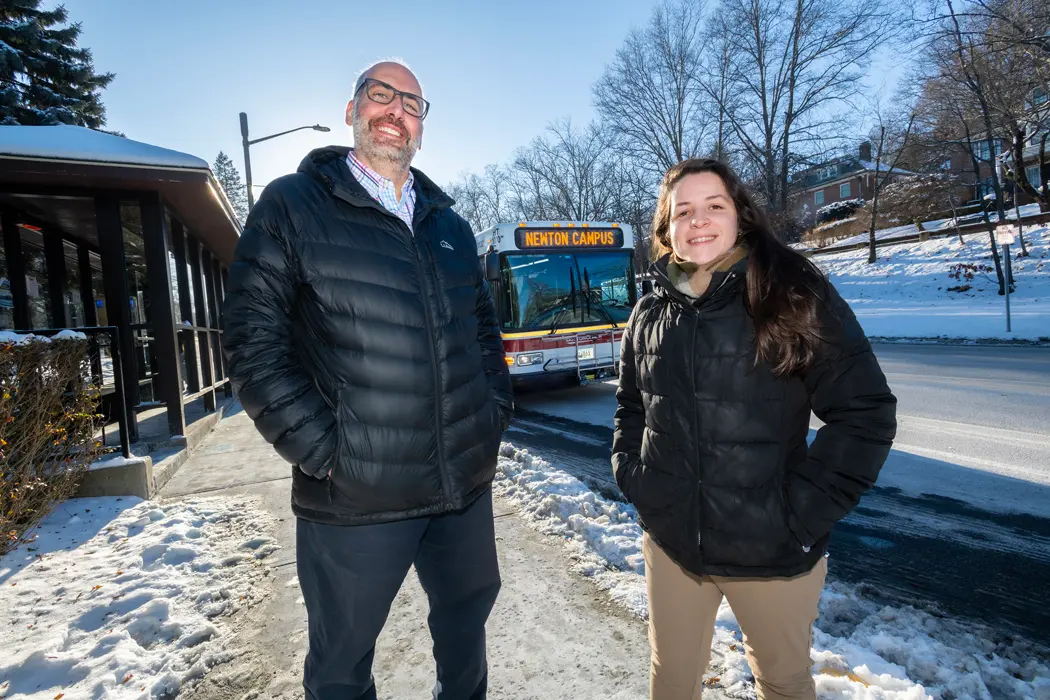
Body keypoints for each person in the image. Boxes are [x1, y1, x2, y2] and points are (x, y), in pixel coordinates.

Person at [221, 59, 513, 700]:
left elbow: (484, 335)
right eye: (381, 95)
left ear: (422, 126)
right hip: (354, 498)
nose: (395, 111)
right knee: (340, 667)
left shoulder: (451, 227)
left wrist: (492, 413)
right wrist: (326, 453)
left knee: (467, 646)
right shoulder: (292, 206)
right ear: (352, 109)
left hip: (461, 487)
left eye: (412, 103)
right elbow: (251, 343)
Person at [612, 158, 897, 700]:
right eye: (684, 211)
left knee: (784, 685)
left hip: (771, 551)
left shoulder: (790, 293)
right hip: (673, 546)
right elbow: (631, 406)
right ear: (666, 229)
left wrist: (797, 515)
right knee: (671, 682)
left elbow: (866, 414)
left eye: (713, 206)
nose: (698, 221)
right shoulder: (648, 312)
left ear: (739, 215)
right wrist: (635, 477)